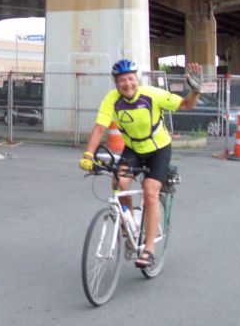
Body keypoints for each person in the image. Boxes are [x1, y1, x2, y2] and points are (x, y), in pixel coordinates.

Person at [79, 59, 203, 268]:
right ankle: (129, 227)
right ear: (116, 83)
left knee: (150, 191)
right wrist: (88, 155)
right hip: (134, 149)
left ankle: (149, 249)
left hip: (158, 150)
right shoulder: (112, 99)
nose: (127, 84)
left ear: (137, 79)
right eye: (122, 80)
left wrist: (195, 91)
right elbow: (100, 128)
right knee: (119, 182)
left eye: (130, 79)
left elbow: (185, 104)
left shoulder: (151, 95)